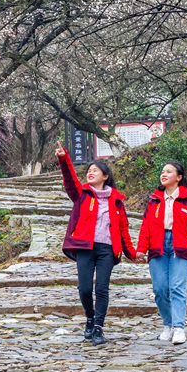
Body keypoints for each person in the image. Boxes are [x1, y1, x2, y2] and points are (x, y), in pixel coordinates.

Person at [55, 141, 136, 346]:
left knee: (101, 288)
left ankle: (98, 327)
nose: (90, 173)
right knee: (84, 288)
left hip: (107, 250)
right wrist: (64, 158)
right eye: (89, 170)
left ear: (105, 176)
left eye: (95, 170)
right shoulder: (81, 194)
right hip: (84, 247)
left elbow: (123, 230)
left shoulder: (116, 201)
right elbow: (70, 179)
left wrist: (132, 253)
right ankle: (90, 318)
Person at [134, 161, 187, 345]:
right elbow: (146, 226)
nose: (164, 174)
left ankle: (179, 327)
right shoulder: (154, 200)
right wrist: (141, 249)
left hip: (180, 246)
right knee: (159, 289)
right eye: (162, 171)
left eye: (169, 171)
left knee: (177, 288)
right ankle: (168, 324)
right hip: (158, 246)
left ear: (179, 177)